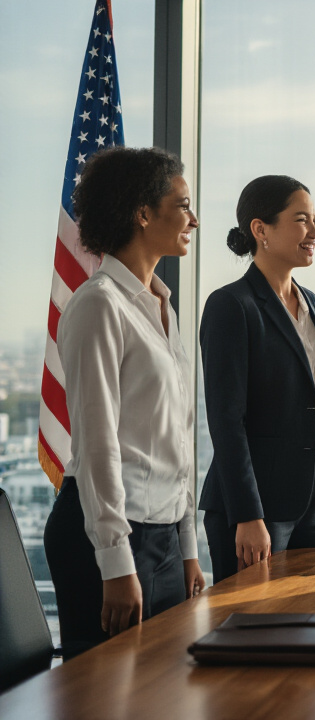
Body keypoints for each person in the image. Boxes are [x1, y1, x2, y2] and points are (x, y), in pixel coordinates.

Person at [42, 146, 205, 658]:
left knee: (162, 691)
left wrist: (187, 549)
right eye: (182, 205)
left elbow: (174, 439)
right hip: (108, 535)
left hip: (159, 536)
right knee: (107, 698)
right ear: (142, 212)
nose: (194, 220)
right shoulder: (98, 306)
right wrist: (115, 562)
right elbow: (96, 443)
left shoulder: (161, 306)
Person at [199, 175, 315, 584]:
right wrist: (248, 515)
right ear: (260, 229)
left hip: (314, 503)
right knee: (252, 636)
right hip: (256, 509)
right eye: (302, 219)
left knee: (310, 629)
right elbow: (225, 420)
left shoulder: (313, 304)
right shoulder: (231, 305)